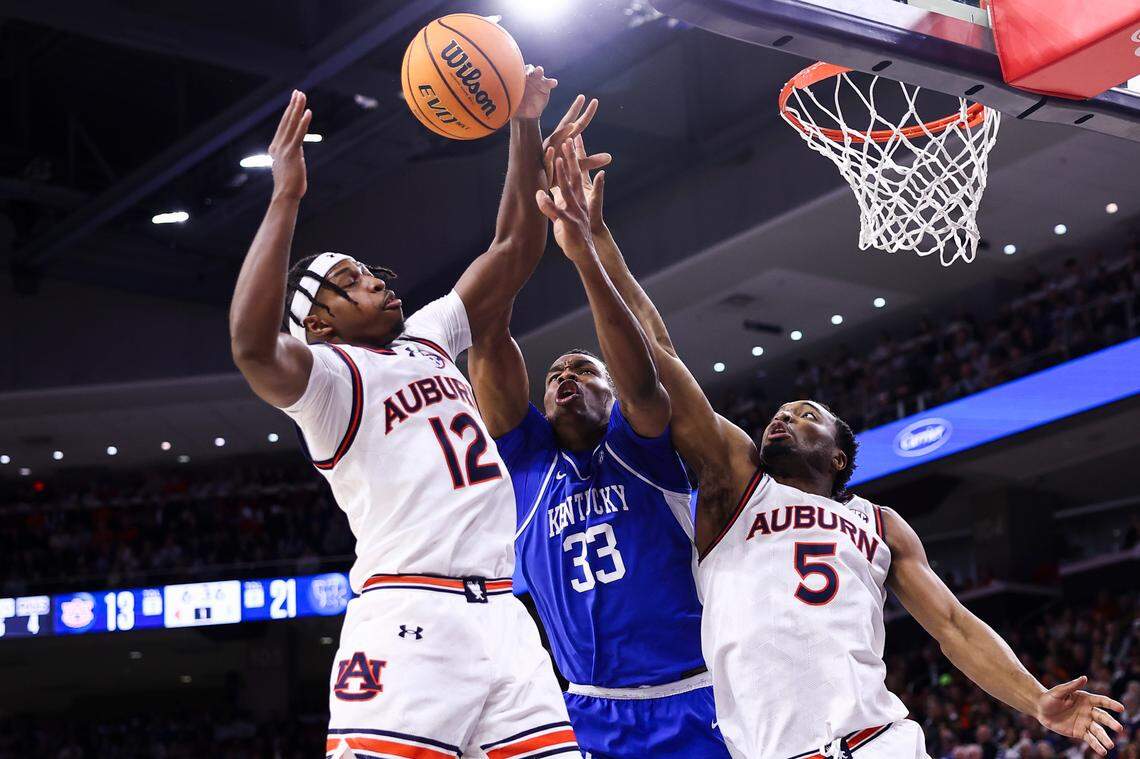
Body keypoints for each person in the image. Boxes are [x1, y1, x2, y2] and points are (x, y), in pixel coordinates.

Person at [567, 142, 1126, 759]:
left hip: (876, 741)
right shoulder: (734, 484)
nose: (783, 416)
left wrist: (1035, 699)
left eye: (806, 416)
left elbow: (952, 626)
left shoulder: (880, 524)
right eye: (779, 413)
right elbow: (659, 353)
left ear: (837, 456)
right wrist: (596, 243)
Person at [228, 72, 604, 759]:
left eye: (369, 270)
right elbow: (252, 346)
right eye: (349, 283)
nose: (373, 280)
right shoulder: (329, 380)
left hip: (503, 612)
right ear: (317, 322)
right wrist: (286, 195)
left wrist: (521, 123)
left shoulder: (428, 337)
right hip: (411, 614)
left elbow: (514, 249)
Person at [468, 139, 729, 758]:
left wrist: (585, 252)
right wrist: (528, 214)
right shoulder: (527, 463)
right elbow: (489, 336)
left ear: (612, 393)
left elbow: (644, 371)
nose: (564, 377)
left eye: (584, 370)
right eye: (555, 372)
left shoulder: (642, 445)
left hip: (699, 694)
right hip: (589, 709)